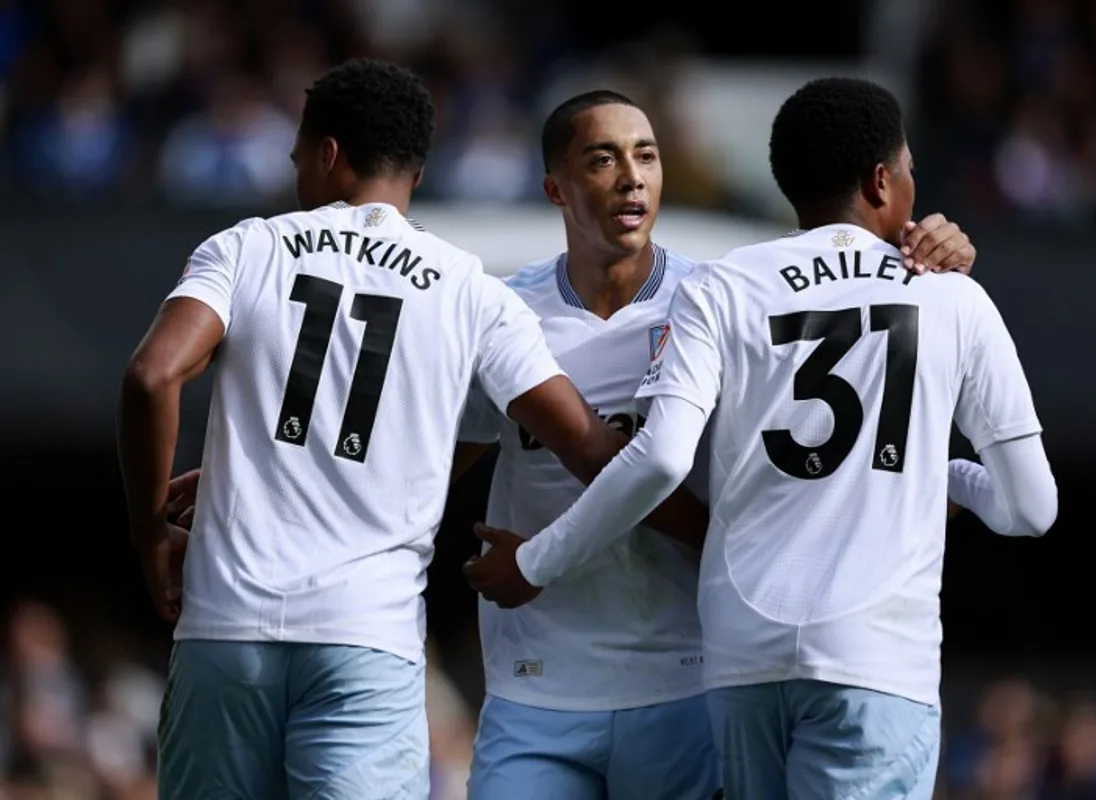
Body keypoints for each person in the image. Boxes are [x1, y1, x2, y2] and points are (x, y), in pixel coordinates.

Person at [116, 59, 704, 800]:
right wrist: (716, 537)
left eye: (298, 156)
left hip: (227, 626)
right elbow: (587, 445)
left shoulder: (249, 245)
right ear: (419, 170)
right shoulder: (471, 288)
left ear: (326, 155)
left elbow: (151, 376)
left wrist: (149, 534)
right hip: (368, 639)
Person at [464, 76, 1059, 800]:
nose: (631, 178)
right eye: (603, 159)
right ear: (884, 180)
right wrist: (934, 469)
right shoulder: (507, 308)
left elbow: (656, 459)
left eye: (647, 155)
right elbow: (1030, 506)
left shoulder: (718, 288)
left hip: (714, 667)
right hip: (567, 680)